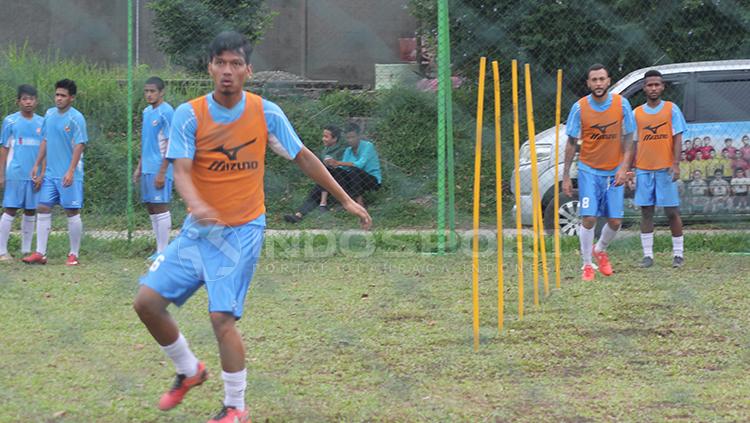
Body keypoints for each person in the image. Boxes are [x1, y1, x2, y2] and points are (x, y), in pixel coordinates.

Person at [132, 31, 371, 423]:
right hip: (197, 230)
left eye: (235, 64)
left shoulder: (265, 113)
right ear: (209, 67)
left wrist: (345, 199)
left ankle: (235, 406)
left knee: (221, 317)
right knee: (146, 303)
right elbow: (182, 169)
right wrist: (195, 203)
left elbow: (305, 157)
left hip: (241, 231)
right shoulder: (189, 114)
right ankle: (190, 370)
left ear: (248, 70)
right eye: (220, 63)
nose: (228, 71)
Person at [562, 63, 635, 281]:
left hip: (614, 172)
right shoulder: (580, 107)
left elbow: (630, 137)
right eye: (594, 80)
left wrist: (624, 167)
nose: (598, 83)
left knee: (614, 221)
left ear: (609, 81)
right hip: (588, 170)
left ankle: (600, 250)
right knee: (589, 217)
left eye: (602, 79)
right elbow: (571, 142)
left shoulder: (622, 105)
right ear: (588, 83)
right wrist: (566, 175)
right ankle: (586, 264)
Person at [23, 79, 87, 265]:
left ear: (72, 98)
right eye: (57, 94)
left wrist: (70, 171)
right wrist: (37, 165)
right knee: (42, 207)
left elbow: (80, 145)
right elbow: (45, 140)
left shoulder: (76, 118)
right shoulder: (49, 115)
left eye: (63, 96)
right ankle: (40, 253)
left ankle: (73, 254)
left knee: (72, 211)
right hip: (50, 174)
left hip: (69, 174)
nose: (58, 98)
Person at [632, 70, 687, 268]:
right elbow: (633, 142)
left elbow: (678, 137)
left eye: (657, 84)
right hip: (644, 169)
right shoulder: (636, 113)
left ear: (662, 87)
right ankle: (648, 256)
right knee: (646, 212)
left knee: (672, 211)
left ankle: (678, 254)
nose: (653, 88)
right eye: (649, 85)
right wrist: (630, 168)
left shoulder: (671, 109)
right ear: (644, 88)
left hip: (665, 169)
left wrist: (676, 163)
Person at [0, 85, 44, 261]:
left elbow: (45, 148)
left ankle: (26, 250)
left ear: (36, 102)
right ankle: (2, 251)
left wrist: (42, 173)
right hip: (15, 174)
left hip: (34, 174)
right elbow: (4, 148)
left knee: (31, 210)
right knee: (10, 209)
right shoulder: (10, 121)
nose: (28, 102)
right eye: (25, 99)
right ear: (18, 101)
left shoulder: (42, 122)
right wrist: (1, 174)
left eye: (31, 99)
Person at [133, 77, 174, 258]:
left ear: (161, 92)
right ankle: (159, 249)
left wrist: (163, 171)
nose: (149, 95)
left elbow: (170, 143)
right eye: (146, 91)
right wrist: (139, 167)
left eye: (153, 91)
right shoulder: (146, 112)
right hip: (148, 167)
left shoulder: (167, 112)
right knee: (151, 206)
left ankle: (164, 251)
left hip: (160, 168)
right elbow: (146, 142)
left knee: (160, 206)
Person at [284, 125, 347, 223]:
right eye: (323, 136)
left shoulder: (342, 150)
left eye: (326, 137)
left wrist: (335, 163)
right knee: (315, 192)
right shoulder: (325, 150)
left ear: (335, 139)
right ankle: (299, 215)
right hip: (328, 180)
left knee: (325, 175)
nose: (323, 139)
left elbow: (346, 165)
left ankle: (323, 203)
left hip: (343, 178)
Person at [324, 122, 382, 208]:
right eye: (348, 138)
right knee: (337, 171)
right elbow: (343, 167)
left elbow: (359, 165)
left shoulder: (368, 146)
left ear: (359, 136)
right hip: (354, 178)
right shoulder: (348, 150)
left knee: (354, 170)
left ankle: (360, 204)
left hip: (371, 179)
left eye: (352, 137)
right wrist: (333, 164)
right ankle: (345, 201)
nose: (350, 140)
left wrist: (338, 162)